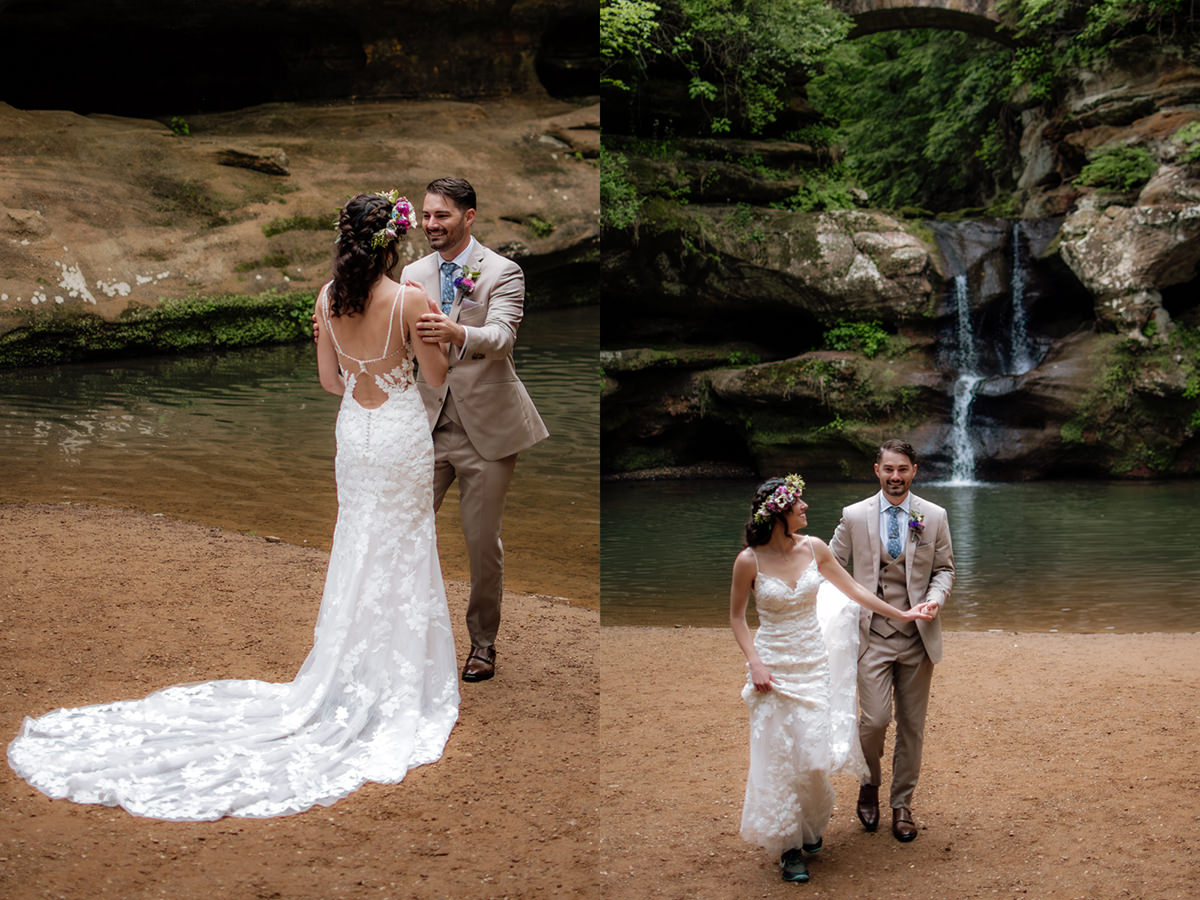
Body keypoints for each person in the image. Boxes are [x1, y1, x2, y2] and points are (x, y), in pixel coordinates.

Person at [7, 191, 459, 821]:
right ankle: (395, 676)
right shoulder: (412, 301)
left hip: (355, 433)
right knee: (404, 543)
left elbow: (332, 383)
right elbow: (436, 378)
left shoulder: (327, 300)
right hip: (399, 436)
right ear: (395, 241)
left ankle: (345, 669)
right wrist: (441, 339)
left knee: (358, 541)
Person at [731, 474, 936, 883]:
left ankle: (808, 828)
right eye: (799, 504)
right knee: (778, 756)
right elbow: (737, 617)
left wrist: (903, 614)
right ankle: (789, 847)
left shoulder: (815, 548)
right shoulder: (748, 561)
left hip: (812, 664)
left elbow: (857, 592)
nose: (806, 508)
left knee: (811, 755)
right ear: (780, 512)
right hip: (773, 664)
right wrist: (754, 662)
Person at [402, 177, 548, 683]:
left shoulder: (503, 271)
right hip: (424, 425)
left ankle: (483, 644)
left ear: (469, 216)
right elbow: (397, 339)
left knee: (482, 543)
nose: (430, 225)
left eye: (441, 216)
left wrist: (458, 331)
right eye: (425, 216)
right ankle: (405, 633)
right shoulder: (412, 272)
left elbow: (503, 337)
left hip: (487, 431)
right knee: (403, 527)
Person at [829, 439, 955, 843]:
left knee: (912, 726)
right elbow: (829, 567)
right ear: (877, 470)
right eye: (889, 469)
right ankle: (869, 782)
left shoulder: (933, 516)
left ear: (914, 471)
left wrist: (934, 600)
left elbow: (945, 570)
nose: (896, 477)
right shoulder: (854, 516)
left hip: (918, 637)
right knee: (875, 720)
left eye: (903, 469)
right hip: (873, 636)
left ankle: (902, 805)